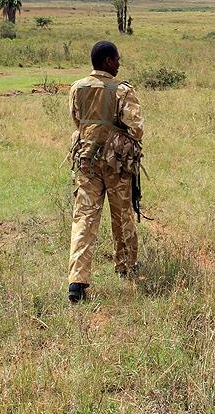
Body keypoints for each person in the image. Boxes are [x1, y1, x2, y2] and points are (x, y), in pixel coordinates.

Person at [66, 41, 144, 303]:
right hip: (116, 164)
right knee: (122, 215)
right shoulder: (122, 90)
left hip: (87, 161)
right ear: (108, 62)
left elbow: (77, 121)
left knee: (84, 219)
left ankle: (77, 281)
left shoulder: (78, 87)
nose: (119, 63)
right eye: (117, 59)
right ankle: (125, 266)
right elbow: (137, 129)